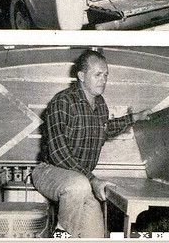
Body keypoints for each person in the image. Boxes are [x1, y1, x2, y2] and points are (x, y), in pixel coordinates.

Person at [32, 49, 151, 238]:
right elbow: (58, 152)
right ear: (81, 76)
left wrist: (134, 118)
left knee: (95, 234)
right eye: (97, 75)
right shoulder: (62, 101)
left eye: (105, 75)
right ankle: (61, 235)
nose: (103, 80)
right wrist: (92, 179)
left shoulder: (100, 104)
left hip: (81, 181)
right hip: (49, 171)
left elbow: (104, 129)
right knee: (78, 185)